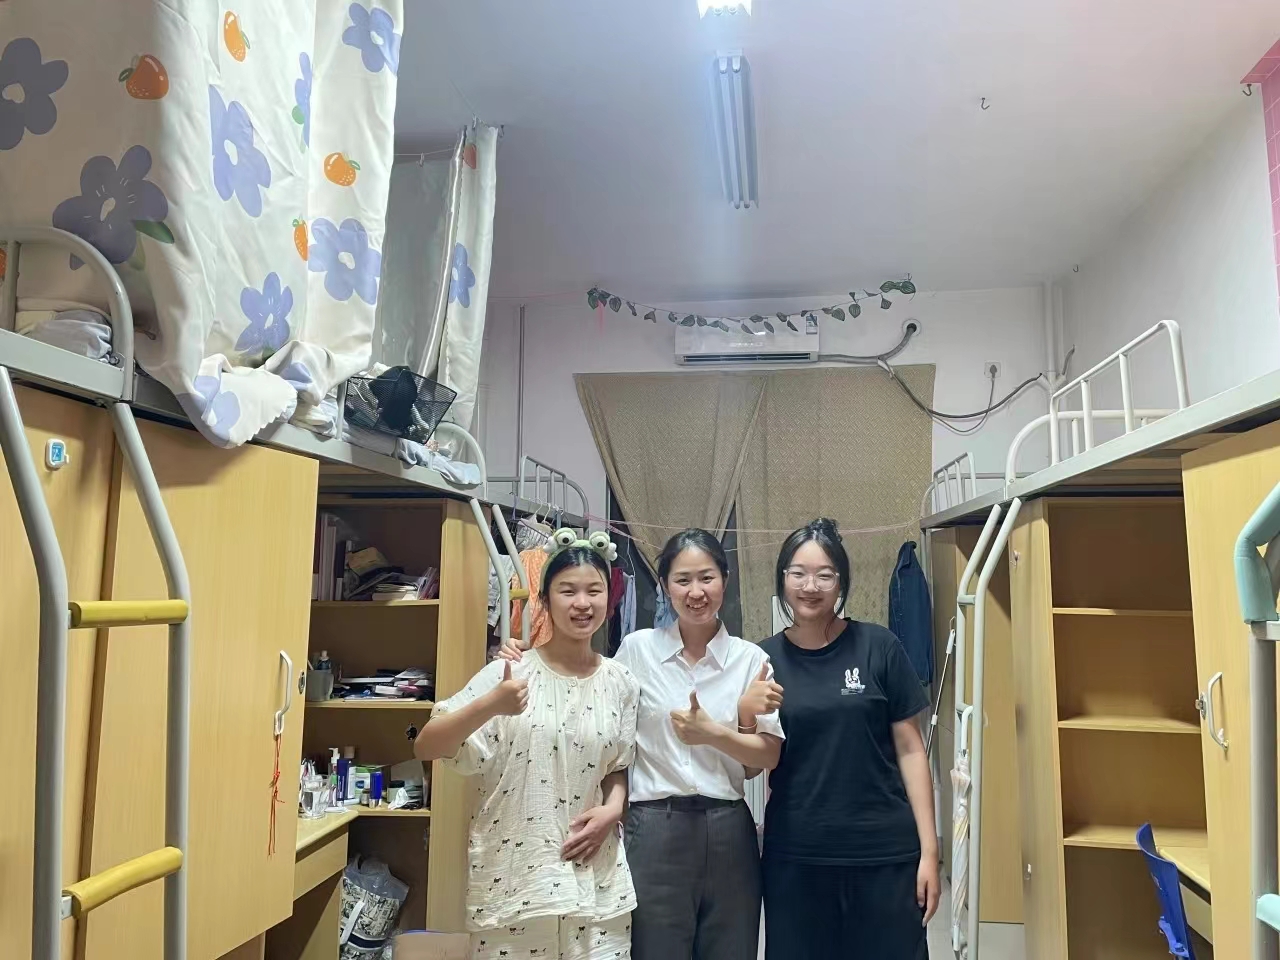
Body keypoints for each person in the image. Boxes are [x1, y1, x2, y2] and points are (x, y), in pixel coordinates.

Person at [502, 528, 784, 960]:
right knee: (655, 950)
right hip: (654, 827)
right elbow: (598, 722)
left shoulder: (751, 660)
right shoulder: (637, 651)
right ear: (665, 586)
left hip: (728, 827)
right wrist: (526, 658)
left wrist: (725, 727)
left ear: (724, 580)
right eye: (682, 580)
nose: (696, 592)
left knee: (732, 949)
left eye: (706, 578)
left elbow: (763, 760)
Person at [414, 530, 640, 960]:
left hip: (598, 885)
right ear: (545, 600)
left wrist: (613, 809)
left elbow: (617, 766)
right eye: (567, 591)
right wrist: (491, 704)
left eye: (593, 591)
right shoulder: (512, 674)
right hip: (516, 887)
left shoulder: (621, 682)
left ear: (608, 600)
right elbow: (427, 745)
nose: (582, 603)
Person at [753, 518, 939, 960]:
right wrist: (743, 714)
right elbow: (755, 759)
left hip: (884, 852)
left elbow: (911, 750)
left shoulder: (879, 646)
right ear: (782, 579)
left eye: (824, 575)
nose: (810, 586)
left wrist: (930, 852)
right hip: (797, 857)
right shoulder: (763, 659)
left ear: (841, 582)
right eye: (798, 573)